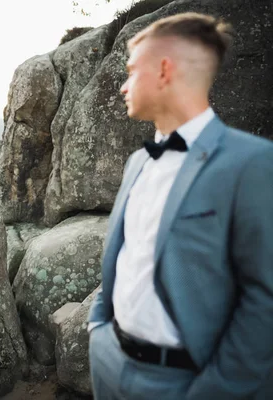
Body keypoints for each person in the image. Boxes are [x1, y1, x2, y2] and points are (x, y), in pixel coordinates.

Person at [87, 12, 273, 400]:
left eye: (132, 71)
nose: (123, 86)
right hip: (108, 362)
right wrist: (98, 328)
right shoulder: (138, 161)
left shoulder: (253, 163)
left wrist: (218, 390)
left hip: (183, 383)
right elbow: (125, 253)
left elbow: (264, 297)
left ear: (164, 70)